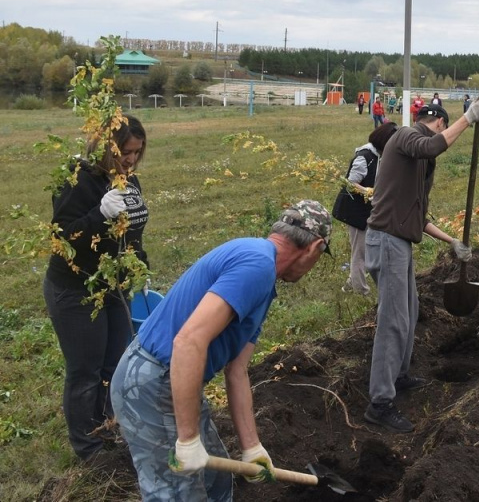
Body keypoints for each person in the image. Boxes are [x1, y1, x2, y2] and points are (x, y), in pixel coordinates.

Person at [111, 200, 333, 500]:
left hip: (173, 378)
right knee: (179, 493)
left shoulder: (262, 276)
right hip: (151, 382)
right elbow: (188, 341)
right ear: (315, 247)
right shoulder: (256, 265)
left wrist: (252, 448)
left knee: (215, 483)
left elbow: (237, 370)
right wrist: (188, 440)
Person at [363, 98, 479, 433]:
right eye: (445, 126)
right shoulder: (406, 136)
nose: (444, 132)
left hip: (399, 242)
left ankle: (399, 376)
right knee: (392, 320)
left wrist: (453, 243)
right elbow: (435, 145)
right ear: (437, 121)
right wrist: (467, 118)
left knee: (409, 310)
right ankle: (380, 403)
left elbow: (420, 219)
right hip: (386, 240)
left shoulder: (417, 165)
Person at [44, 115, 150, 464]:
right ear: (107, 147)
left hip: (115, 286)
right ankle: (88, 449)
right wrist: (98, 215)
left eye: (137, 152)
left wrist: (140, 266)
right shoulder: (77, 179)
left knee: (114, 365)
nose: (131, 160)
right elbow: (63, 239)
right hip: (76, 290)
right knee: (85, 371)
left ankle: (107, 429)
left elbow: (132, 233)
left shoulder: (128, 182)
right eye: (125, 152)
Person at [332, 123, 399, 295]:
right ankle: (360, 290)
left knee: (368, 250)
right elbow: (349, 183)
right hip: (354, 211)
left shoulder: (380, 156)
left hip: (367, 209)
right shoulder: (364, 157)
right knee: (360, 252)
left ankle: (350, 283)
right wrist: (367, 191)